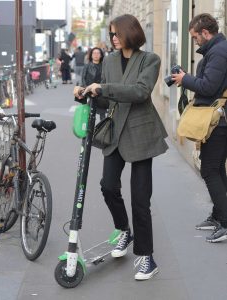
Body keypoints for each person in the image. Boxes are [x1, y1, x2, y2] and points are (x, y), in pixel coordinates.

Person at [74, 14, 168, 281]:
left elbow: (140, 92)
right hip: (115, 134)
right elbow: (108, 101)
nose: (113, 38)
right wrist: (86, 96)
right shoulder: (110, 60)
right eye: (111, 34)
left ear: (130, 32)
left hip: (141, 135)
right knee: (107, 186)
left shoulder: (150, 59)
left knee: (141, 199)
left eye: (116, 33)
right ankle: (123, 230)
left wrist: (102, 88)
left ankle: (147, 257)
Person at [172, 13, 227, 243]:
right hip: (218, 120)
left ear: (206, 33)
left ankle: (224, 222)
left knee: (209, 169)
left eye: (195, 37)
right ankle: (218, 215)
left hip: (218, 122)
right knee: (217, 169)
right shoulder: (217, 51)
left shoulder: (219, 52)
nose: (195, 41)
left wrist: (185, 79)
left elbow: (208, 86)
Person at [81, 47, 106, 120]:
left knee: (102, 114)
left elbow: (105, 79)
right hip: (89, 93)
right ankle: (90, 129)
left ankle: (103, 129)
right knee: (90, 114)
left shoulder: (104, 66)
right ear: (91, 55)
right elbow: (83, 79)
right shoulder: (87, 66)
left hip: (101, 92)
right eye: (94, 53)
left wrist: (100, 89)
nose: (96, 55)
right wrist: (87, 90)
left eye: (98, 53)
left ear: (101, 55)